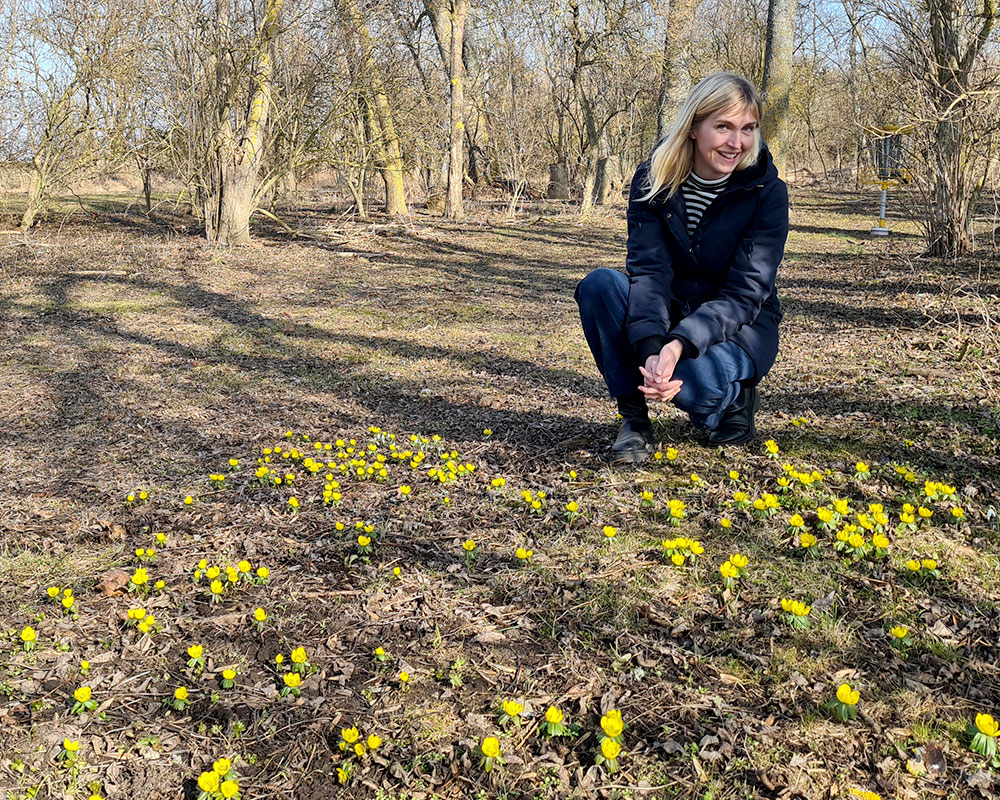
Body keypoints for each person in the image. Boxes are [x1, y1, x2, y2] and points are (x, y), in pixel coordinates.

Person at [575, 71, 789, 464]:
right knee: (599, 286)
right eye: (723, 127)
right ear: (693, 127)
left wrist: (678, 345)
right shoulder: (652, 179)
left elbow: (745, 294)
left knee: (691, 383)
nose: (736, 143)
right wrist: (653, 348)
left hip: (741, 329)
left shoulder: (767, 192)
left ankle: (730, 399)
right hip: (671, 310)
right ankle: (634, 423)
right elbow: (649, 272)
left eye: (747, 128)